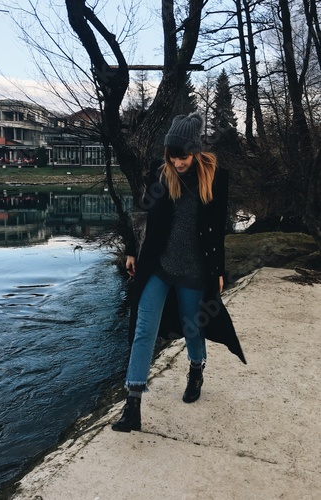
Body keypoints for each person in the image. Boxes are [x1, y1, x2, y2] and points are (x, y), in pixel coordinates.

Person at [112, 112, 246, 433]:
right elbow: (141, 212)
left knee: (192, 328)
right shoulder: (162, 175)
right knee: (144, 328)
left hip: (195, 270)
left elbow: (217, 232)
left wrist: (218, 271)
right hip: (159, 266)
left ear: (196, 151)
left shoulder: (214, 178)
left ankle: (196, 368)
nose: (177, 162)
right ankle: (133, 404)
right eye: (172, 156)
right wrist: (132, 250)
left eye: (183, 156)